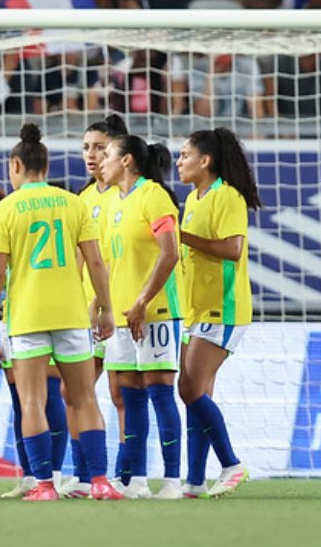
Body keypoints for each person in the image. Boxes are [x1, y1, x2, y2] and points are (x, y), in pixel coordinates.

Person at [0, 123, 122, 502]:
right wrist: (104, 309)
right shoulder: (74, 203)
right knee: (84, 399)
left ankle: (43, 485)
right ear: (47, 165)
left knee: (32, 402)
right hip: (72, 315)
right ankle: (100, 481)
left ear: (16, 166)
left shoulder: (5, 210)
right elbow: (95, 262)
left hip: (27, 318)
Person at [0, 179, 70, 498]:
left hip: (46, 318)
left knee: (48, 396)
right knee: (20, 400)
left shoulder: (20, 232)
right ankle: (30, 474)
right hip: (12, 323)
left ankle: (54, 474)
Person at [175, 127, 260, 499]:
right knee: (198, 392)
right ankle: (194, 481)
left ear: (205, 160)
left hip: (223, 308)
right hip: (195, 308)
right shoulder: (194, 198)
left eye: (185, 156)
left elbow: (232, 249)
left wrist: (182, 237)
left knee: (189, 388)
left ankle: (231, 463)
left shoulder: (227, 196)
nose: (179, 162)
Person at [98, 136, 182, 500]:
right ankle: (132, 479)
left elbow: (170, 253)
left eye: (108, 154)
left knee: (161, 394)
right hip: (120, 316)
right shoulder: (114, 201)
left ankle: (173, 481)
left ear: (128, 160)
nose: (101, 160)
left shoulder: (154, 196)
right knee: (128, 397)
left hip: (155, 313)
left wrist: (143, 300)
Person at [70, 114, 126, 493]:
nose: (91, 155)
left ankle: (125, 475)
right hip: (85, 312)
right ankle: (84, 474)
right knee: (75, 392)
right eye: (86, 147)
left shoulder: (133, 193)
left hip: (122, 309)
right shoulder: (82, 199)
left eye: (100, 148)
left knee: (122, 394)